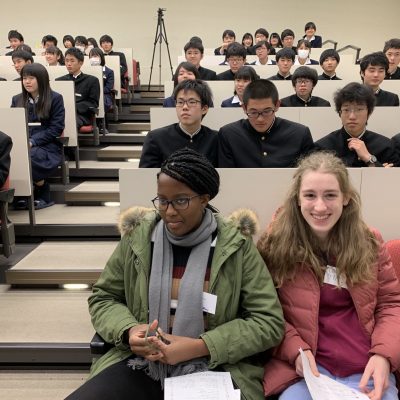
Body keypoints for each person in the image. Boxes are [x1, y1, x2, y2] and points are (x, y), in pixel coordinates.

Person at [65, 147, 284, 400]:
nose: (169, 211)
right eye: (162, 200)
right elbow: (104, 297)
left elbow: (267, 321)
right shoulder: (139, 238)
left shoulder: (236, 246)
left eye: (181, 201)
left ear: (204, 199)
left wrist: (201, 346)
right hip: (142, 362)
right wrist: (129, 330)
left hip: (213, 365)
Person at [258, 151, 400, 400]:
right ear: (297, 198)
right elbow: (264, 311)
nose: (320, 206)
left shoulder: (369, 241)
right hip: (304, 368)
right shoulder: (274, 245)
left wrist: (384, 355)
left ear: (346, 198)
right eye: (310, 195)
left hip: (365, 364)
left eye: (330, 195)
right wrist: (296, 351)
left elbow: (391, 305)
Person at [218, 79, 314, 167]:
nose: (260, 119)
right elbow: (227, 175)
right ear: (244, 108)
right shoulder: (229, 134)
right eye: (253, 112)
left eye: (267, 111)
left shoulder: (299, 134)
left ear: (277, 105)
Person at [11, 63, 65, 209]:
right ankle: (21, 193)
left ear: (41, 79)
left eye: (31, 78)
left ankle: (42, 188)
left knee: (30, 157)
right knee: (9, 156)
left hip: (47, 146)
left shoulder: (55, 98)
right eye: (24, 78)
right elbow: (14, 125)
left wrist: (33, 141)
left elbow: (56, 128)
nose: (27, 82)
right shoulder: (17, 99)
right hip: (22, 144)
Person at [315, 82, 400, 167]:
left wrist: (369, 158)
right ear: (340, 113)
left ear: (369, 113)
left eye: (359, 109)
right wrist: (380, 167)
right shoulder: (323, 147)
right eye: (346, 110)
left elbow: (392, 174)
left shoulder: (386, 146)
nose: (352, 116)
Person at [140, 80, 217, 167]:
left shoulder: (215, 139)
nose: (185, 107)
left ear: (204, 109)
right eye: (180, 102)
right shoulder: (156, 138)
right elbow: (147, 174)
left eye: (192, 102)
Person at [56, 47, 100, 129]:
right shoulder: (59, 81)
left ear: (80, 63)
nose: (69, 64)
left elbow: (93, 103)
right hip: (61, 113)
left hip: (81, 115)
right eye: (66, 60)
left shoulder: (92, 80)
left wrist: (73, 107)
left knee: (68, 121)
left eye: (72, 61)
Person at [89, 47, 115, 113]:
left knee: (102, 102)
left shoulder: (109, 72)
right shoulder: (86, 71)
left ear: (101, 57)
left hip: (104, 94)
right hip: (89, 95)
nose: (93, 58)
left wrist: (96, 92)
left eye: (95, 56)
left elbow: (108, 88)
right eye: (91, 56)